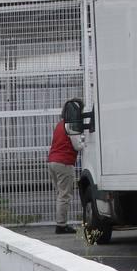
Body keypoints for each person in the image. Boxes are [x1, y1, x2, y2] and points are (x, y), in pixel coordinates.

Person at [47, 99, 85, 234]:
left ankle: (60, 223)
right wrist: (85, 142)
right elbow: (77, 146)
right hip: (64, 163)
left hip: (52, 161)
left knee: (60, 194)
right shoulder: (71, 126)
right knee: (65, 195)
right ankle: (61, 225)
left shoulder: (59, 125)